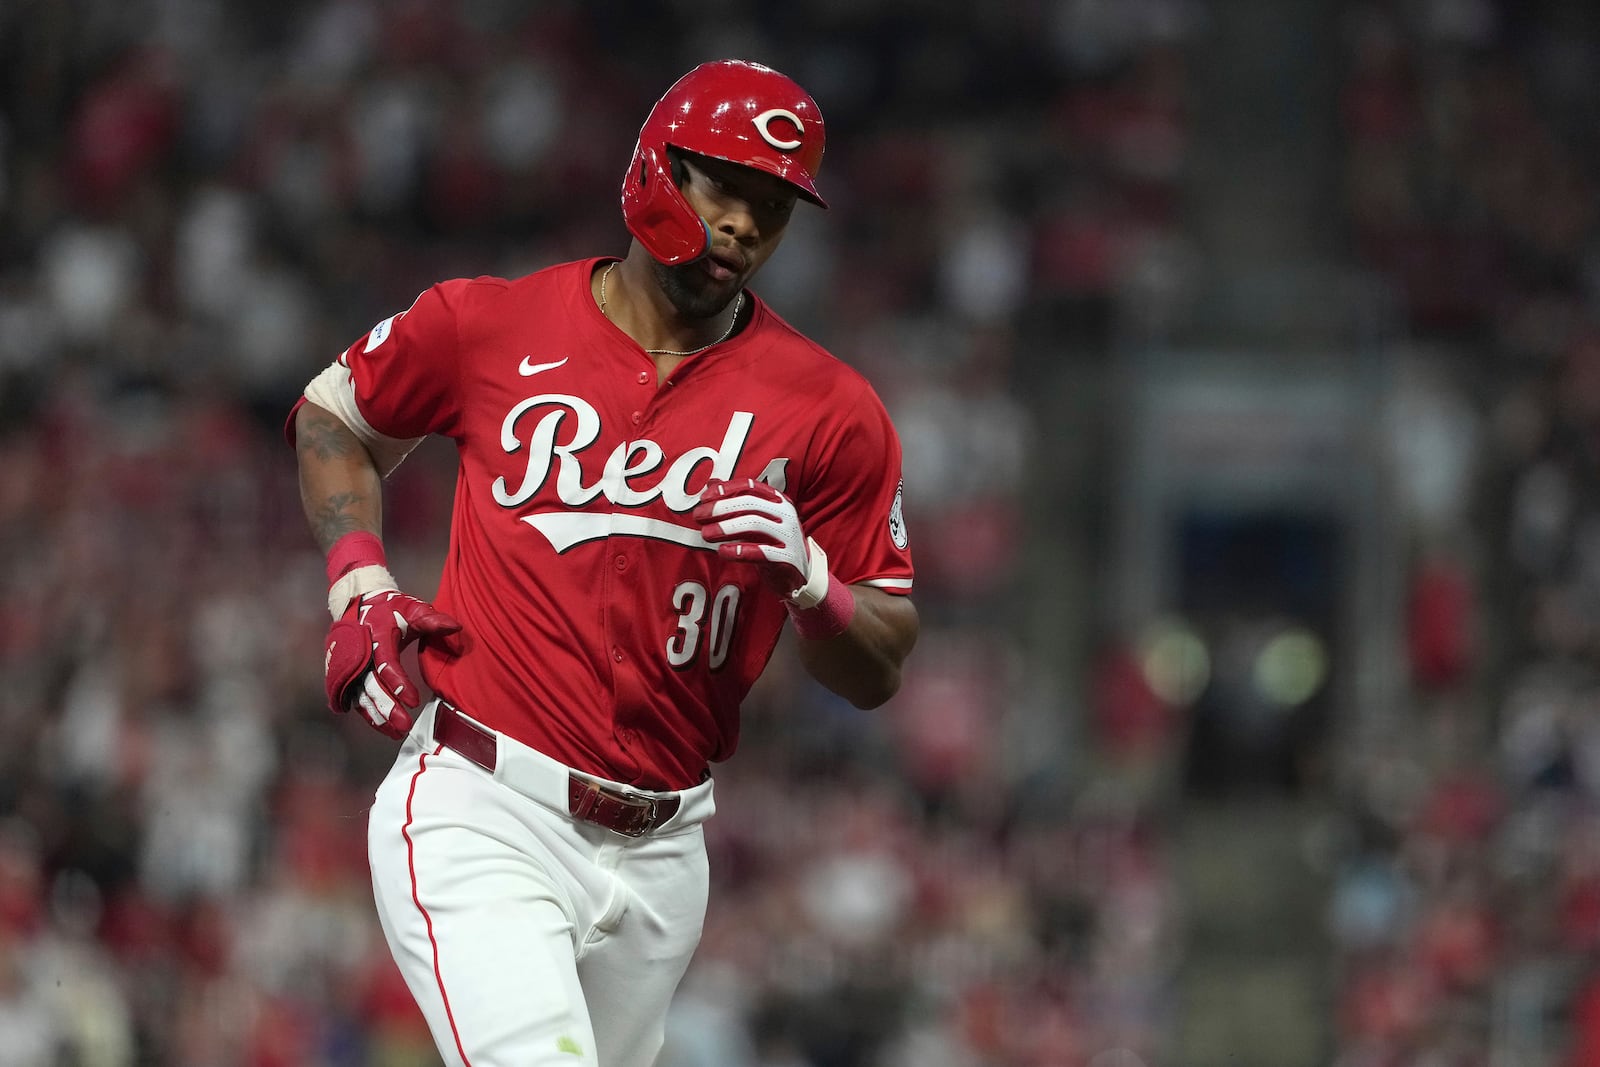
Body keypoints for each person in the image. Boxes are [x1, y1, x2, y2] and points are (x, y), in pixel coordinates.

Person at [288, 59, 918, 1066]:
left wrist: (815, 584)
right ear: (653, 167)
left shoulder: (830, 410)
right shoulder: (488, 323)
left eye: (774, 206)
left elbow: (880, 662)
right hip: (483, 801)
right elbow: (332, 415)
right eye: (726, 187)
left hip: (665, 851)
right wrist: (359, 578)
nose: (749, 226)